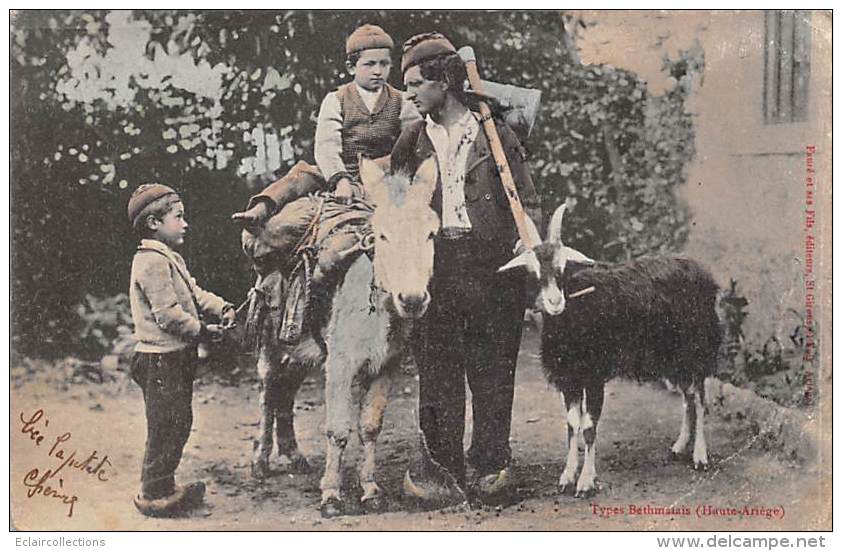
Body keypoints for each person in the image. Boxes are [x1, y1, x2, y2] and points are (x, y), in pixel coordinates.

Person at [390, 32, 542, 506]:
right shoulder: (412, 139)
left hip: (493, 264)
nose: (409, 94)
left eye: (416, 83)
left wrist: (528, 235)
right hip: (435, 266)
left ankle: (492, 464)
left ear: (444, 82)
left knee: (493, 366)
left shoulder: (495, 133)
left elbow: (527, 197)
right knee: (437, 369)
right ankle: (440, 466)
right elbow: (395, 201)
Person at [231, 23, 421, 226]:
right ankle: (262, 207)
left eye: (384, 64)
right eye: (369, 64)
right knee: (300, 175)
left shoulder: (402, 100)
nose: (378, 71)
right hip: (340, 168)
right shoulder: (336, 99)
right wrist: (341, 180)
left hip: (382, 169)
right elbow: (327, 145)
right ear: (351, 67)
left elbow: (410, 144)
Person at [127, 183, 236, 517]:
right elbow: (169, 315)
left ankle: (163, 484)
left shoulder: (168, 257)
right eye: (178, 217)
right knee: (165, 424)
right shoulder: (150, 263)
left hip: (174, 357)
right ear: (153, 224)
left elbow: (195, 292)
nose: (185, 224)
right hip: (159, 359)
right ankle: (154, 491)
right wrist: (205, 332)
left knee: (178, 420)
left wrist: (223, 307)